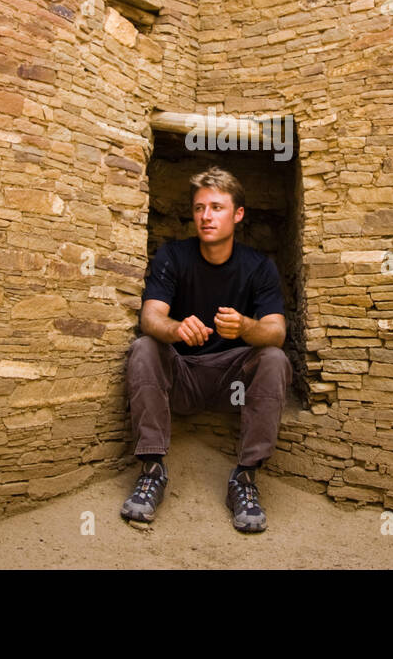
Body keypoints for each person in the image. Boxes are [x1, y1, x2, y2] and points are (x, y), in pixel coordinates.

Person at [121, 166, 291, 532]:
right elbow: (151, 318)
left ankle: (245, 479)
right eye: (199, 208)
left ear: (238, 214)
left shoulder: (259, 267)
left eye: (216, 207)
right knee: (145, 347)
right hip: (182, 376)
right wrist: (176, 328)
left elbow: (276, 333)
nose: (206, 217)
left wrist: (246, 326)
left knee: (274, 359)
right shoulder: (174, 256)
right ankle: (152, 470)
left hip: (234, 386)